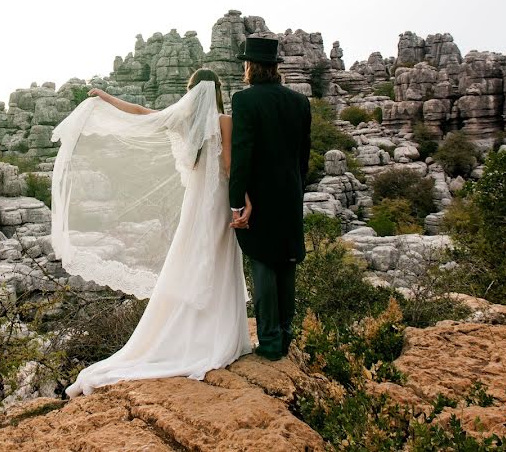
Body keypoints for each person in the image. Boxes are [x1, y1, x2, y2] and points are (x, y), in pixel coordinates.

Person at [51, 68, 253, 398]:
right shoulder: (224, 121)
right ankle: (215, 333)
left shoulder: (183, 122)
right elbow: (230, 166)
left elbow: (141, 113)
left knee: (191, 260)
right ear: (217, 91)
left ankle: (194, 332)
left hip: (195, 206)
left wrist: (105, 98)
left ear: (190, 94)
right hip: (218, 203)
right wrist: (243, 200)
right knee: (217, 259)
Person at [229, 36, 312, 361]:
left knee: (263, 263)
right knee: (286, 261)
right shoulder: (299, 102)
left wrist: (237, 200)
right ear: (275, 67)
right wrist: (297, 188)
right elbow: (303, 157)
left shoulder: (245, 101)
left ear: (250, 66)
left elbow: (242, 154)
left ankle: (271, 342)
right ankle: (286, 334)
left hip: (260, 196)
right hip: (290, 193)